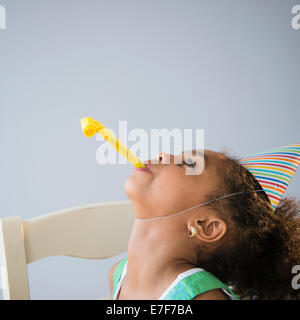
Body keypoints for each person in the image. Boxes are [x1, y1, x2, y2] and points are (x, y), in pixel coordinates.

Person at [109, 144, 300, 300]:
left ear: (205, 226)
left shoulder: (203, 298)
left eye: (189, 164)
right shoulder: (118, 275)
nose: (163, 155)